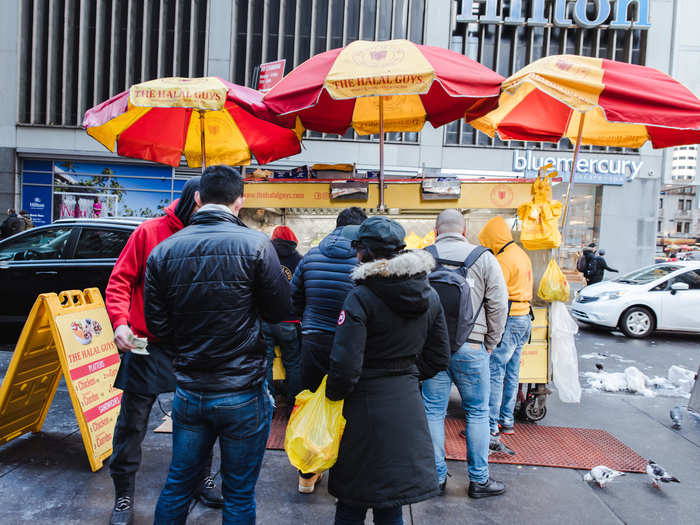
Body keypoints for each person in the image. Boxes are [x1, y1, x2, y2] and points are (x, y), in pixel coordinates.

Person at [145, 166, 290, 524]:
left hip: (190, 389)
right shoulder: (257, 245)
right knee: (239, 493)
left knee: (178, 483)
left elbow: (157, 326)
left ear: (197, 198)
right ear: (240, 200)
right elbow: (280, 311)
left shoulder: (163, 251)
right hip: (243, 389)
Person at [104, 177, 223, 525]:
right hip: (147, 345)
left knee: (201, 419)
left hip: (194, 347)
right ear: (197, 200)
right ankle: (123, 493)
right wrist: (120, 323)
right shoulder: (148, 231)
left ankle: (202, 476)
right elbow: (120, 281)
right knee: (132, 424)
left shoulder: (211, 237)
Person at [326, 217, 450, 525]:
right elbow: (439, 356)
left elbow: (345, 366)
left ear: (365, 253)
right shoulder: (429, 294)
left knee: (353, 499)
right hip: (406, 402)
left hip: (363, 407)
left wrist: (331, 396)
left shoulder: (360, 296)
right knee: (392, 498)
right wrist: (408, 375)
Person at [421, 209, 508, 499]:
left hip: (433, 348)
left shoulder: (423, 256)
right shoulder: (483, 258)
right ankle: (479, 481)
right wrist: (490, 342)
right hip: (472, 346)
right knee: (477, 412)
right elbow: (498, 304)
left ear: (436, 230)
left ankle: (436, 477)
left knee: (433, 411)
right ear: (464, 231)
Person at [289, 206, 366, 493]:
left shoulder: (310, 256)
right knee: (348, 406)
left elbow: (293, 300)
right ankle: (345, 474)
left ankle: (307, 473)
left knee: (311, 403)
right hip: (350, 343)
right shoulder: (363, 262)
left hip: (313, 340)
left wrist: (307, 323)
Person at [478, 216, 533, 439]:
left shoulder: (502, 260)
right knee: (512, 373)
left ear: (494, 237)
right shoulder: (521, 254)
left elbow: (494, 296)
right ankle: (506, 420)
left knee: (494, 372)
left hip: (509, 320)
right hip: (524, 318)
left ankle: (490, 425)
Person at [263, 225, 303, 410]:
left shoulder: (266, 256)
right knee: (293, 363)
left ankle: (268, 405)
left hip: (267, 318)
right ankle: (293, 405)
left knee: (266, 364)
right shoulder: (300, 260)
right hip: (290, 320)